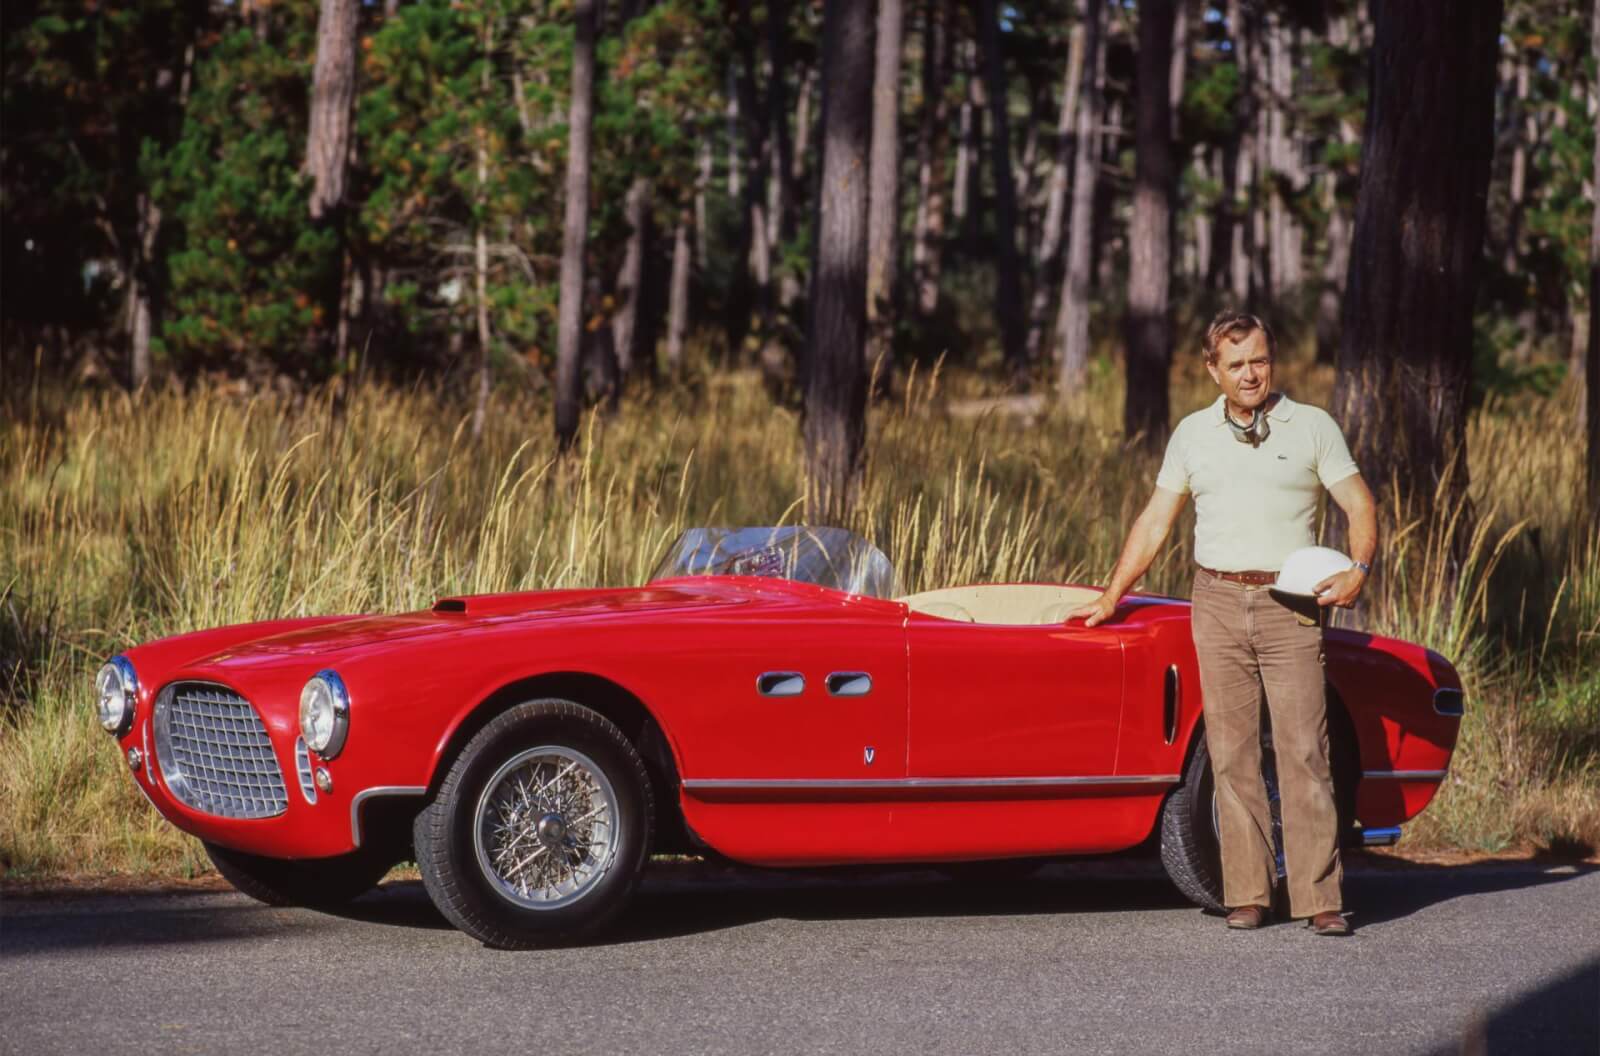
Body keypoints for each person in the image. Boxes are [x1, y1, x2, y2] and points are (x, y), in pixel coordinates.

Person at [1066, 310, 1377, 936]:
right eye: (1235, 364)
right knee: (1231, 752)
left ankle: (1320, 900)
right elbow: (1156, 520)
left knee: (1303, 750)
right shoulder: (1192, 434)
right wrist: (1111, 595)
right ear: (1213, 369)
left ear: (1272, 359)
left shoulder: (1312, 426)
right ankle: (1247, 893)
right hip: (1215, 601)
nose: (1249, 374)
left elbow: (1359, 502)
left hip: (1292, 603)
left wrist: (1360, 566)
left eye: (1258, 360)